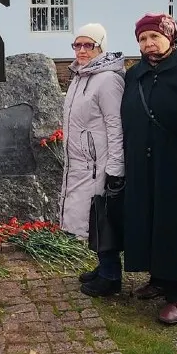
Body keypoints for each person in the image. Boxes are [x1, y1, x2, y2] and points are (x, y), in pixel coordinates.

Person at [121, 14, 177, 325]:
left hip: (176, 162)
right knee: (148, 219)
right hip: (142, 161)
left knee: (175, 226)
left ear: (171, 38)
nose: (148, 44)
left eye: (154, 37)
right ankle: (157, 278)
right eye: (142, 39)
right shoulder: (136, 75)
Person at [54, 23, 125, 297]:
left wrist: (115, 168)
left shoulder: (107, 80)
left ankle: (111, 275)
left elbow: (115, 125)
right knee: (90, 218)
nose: (82, 50)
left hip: (99, 163)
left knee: (100, 218)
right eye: (78, 45)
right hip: (82, 161)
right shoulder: (81, 75)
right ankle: (103, 266)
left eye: (89, 45)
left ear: (100, 47)